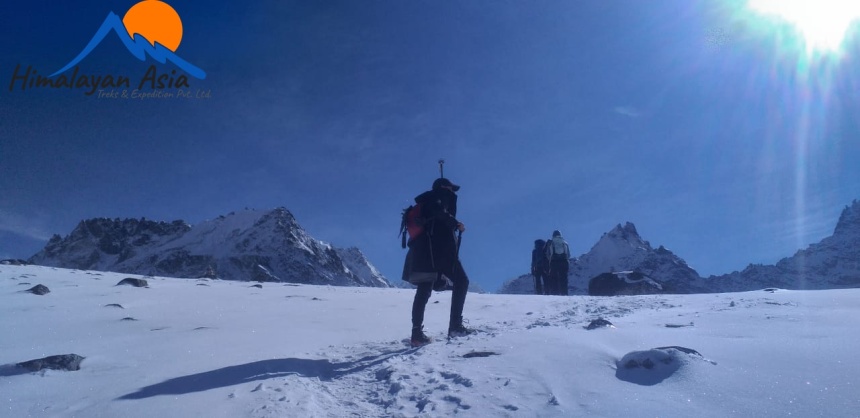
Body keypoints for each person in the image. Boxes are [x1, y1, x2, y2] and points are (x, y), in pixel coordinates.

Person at [403, 177, 474, 346]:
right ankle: (455, 326)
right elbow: (439, 213)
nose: (452, 192)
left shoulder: (425, 202)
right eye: (451, 189)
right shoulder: (437, 198)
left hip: (424, 253)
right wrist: (456, 223)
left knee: (424, 288)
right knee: (462, 281)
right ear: (444, 187)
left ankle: (416, 334)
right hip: (440, 251)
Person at [545, 230, 571, 295]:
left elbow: (548, 254)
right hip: (564, 261)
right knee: (564, 278)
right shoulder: (565, 243)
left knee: (554, 278)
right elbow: (568, 254)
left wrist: (550, 261)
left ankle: (555, 293)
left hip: (554, 262)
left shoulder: (551, 243)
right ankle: (564, 293)